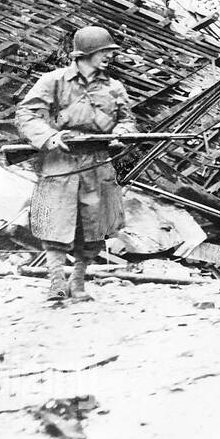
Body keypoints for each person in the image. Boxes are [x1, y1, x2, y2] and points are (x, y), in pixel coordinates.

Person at [15, 26, 137, 303]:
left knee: (94, 228)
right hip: (61, 162)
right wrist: (49, 137)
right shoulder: (54, 81)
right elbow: (26, 113)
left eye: (110, 52)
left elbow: (127, 120)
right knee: (54, 225)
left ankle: (78, 282)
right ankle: (57, 284)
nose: (109, 56)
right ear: (85, 54)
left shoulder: (114, 87)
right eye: (103, 51)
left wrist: (121, 134)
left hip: (98, 164)